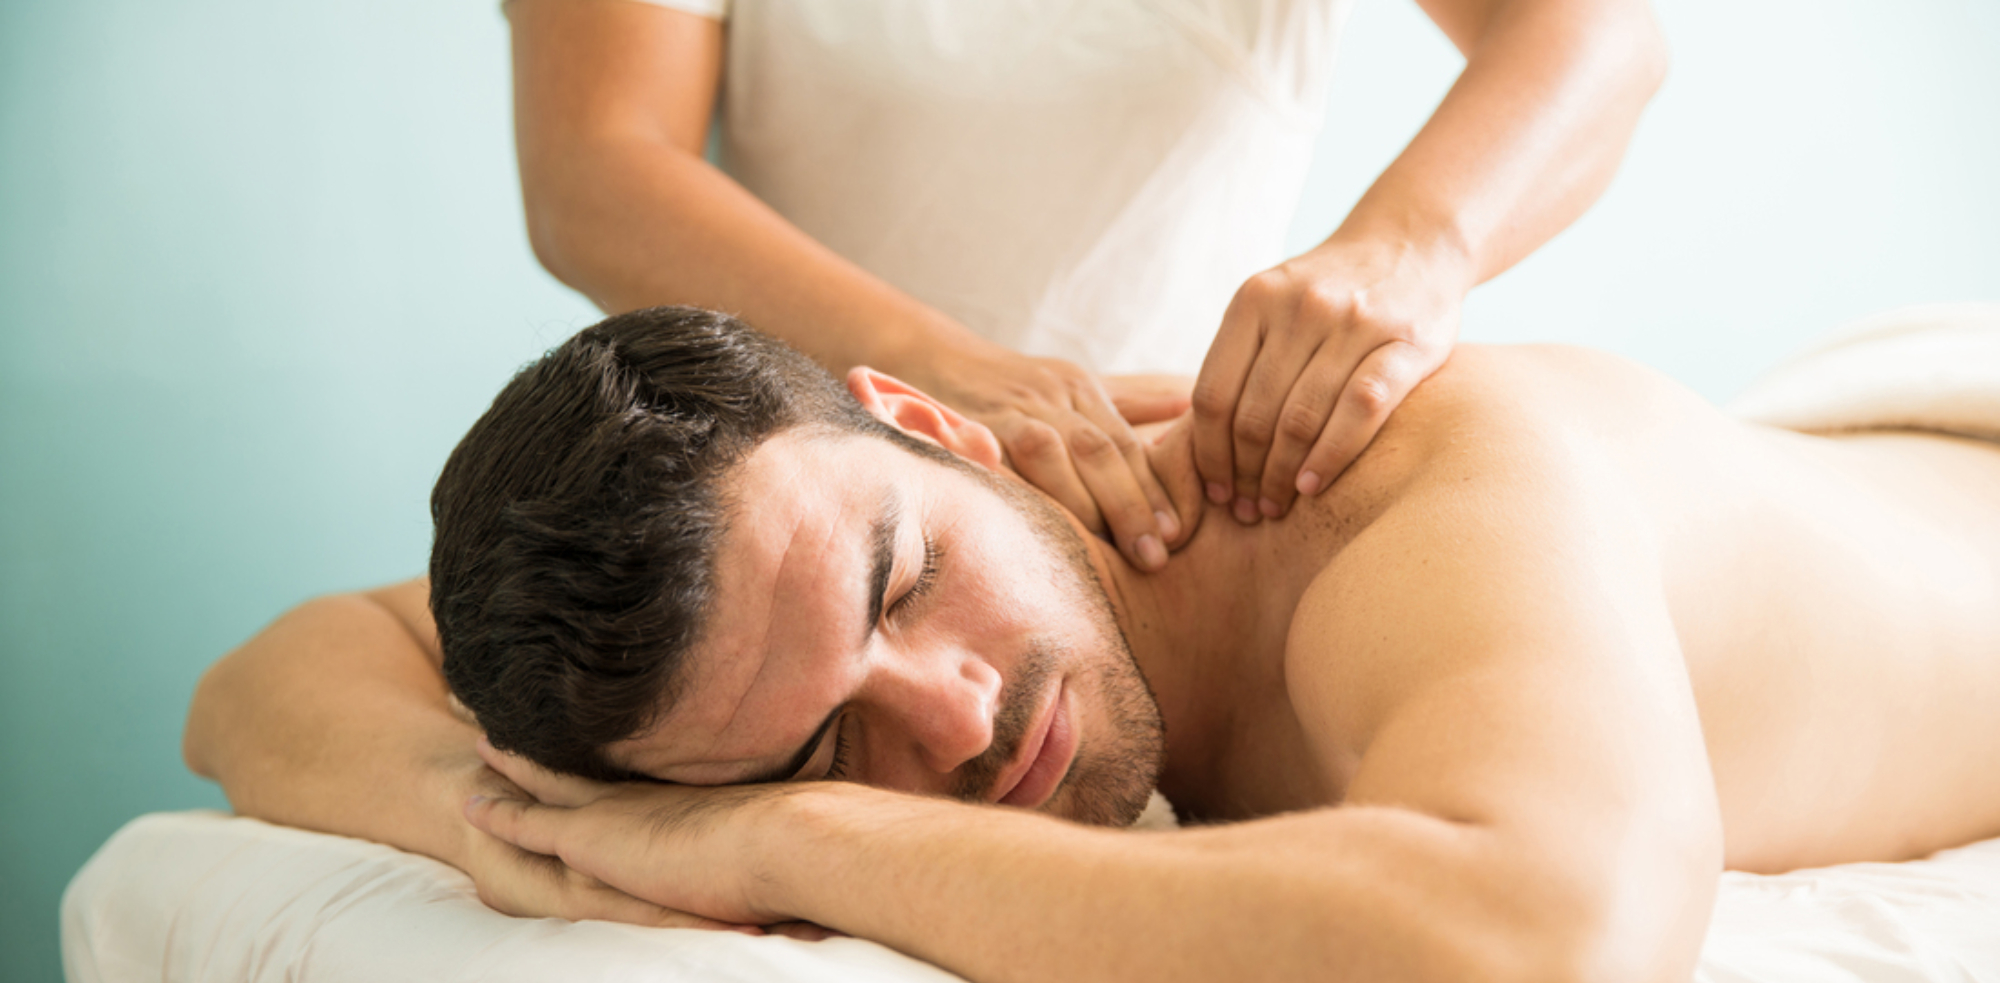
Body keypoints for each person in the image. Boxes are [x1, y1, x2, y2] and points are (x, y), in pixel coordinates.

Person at [186, 306, 2000, 983]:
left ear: (940, 424)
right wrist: (515, 830)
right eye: (824, 738)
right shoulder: (764, 584)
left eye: (908, 584)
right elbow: (261, 681)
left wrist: (795, 830)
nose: (961, 720)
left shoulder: (1392, 495)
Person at [506, 0, 1670, 571]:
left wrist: (1410, 246)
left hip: (1177, 523)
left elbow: (1596, 35)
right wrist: (950, 376)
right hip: (813, 535)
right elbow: (594, 169)